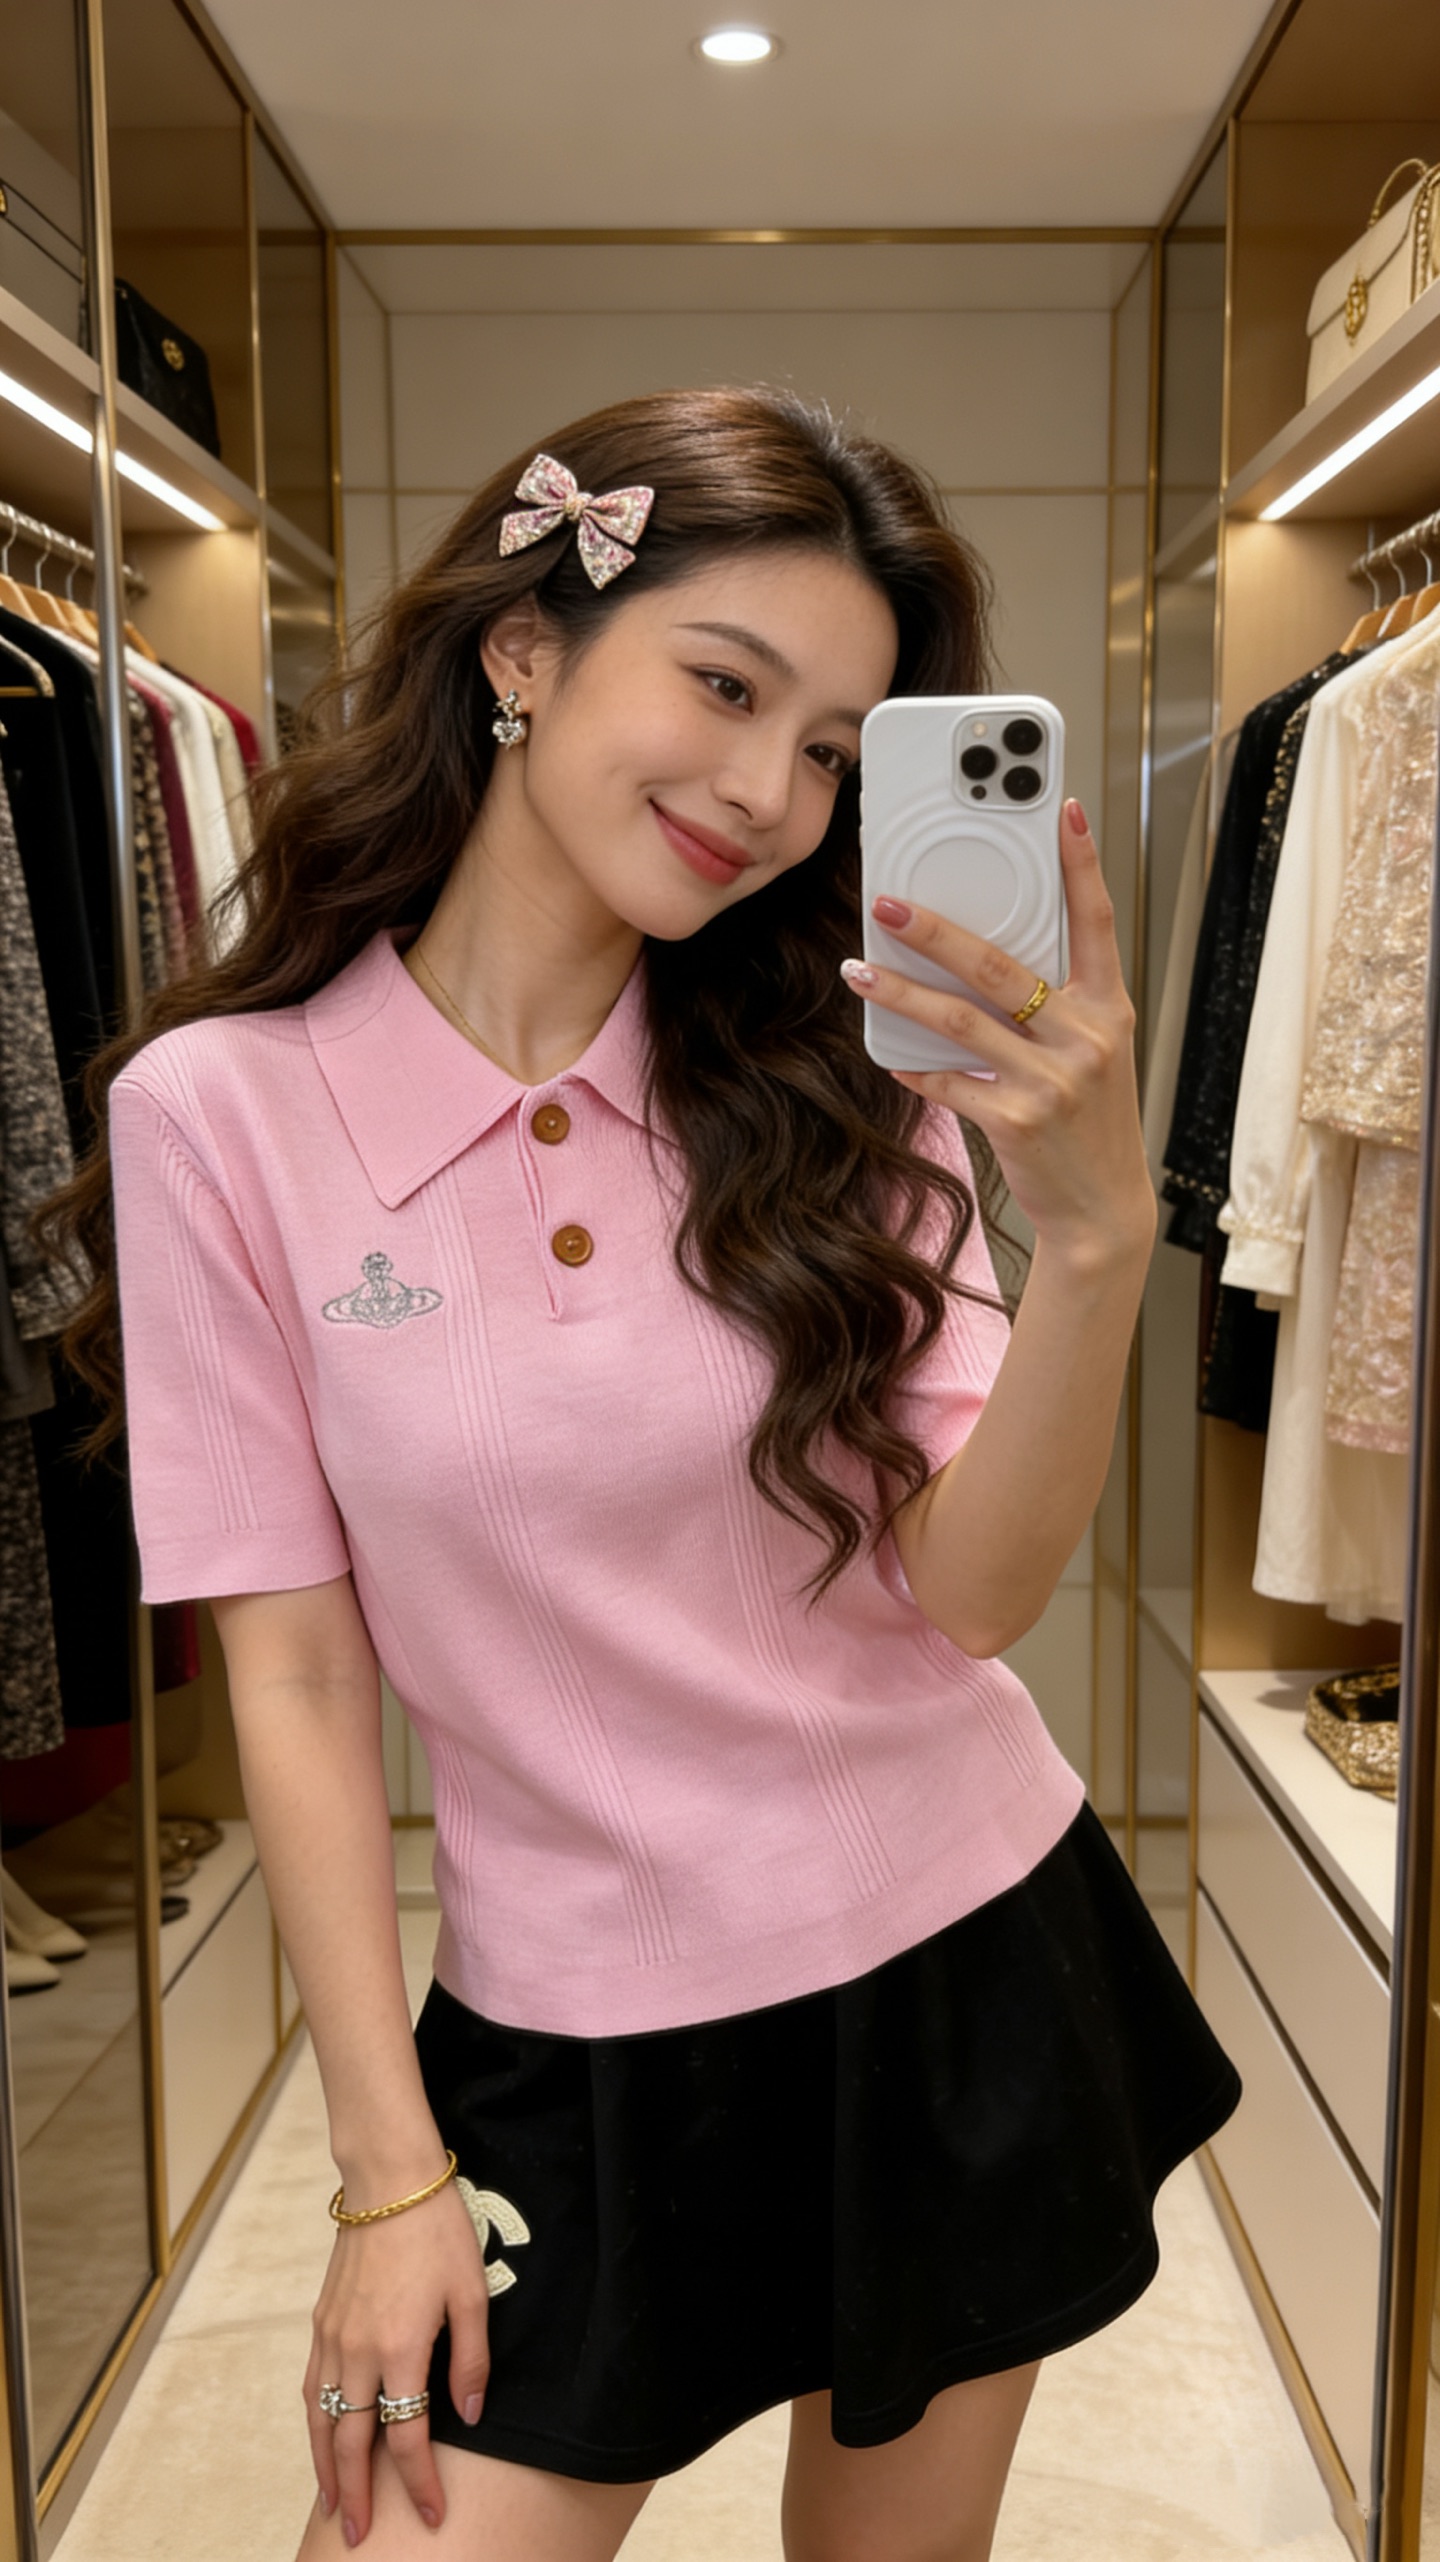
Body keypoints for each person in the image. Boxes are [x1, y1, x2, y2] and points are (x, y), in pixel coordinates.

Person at [47, 384, 1239, 2562]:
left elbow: (970, 1599)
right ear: (524, 648)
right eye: (725, 686)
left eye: (833, 747)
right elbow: (292, 1672)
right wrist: (387, 2174)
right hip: (567, 2034)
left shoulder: (838, 1079)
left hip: (953, 1952)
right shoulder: (222, 1117)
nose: (770, 795)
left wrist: (1090, 1249)